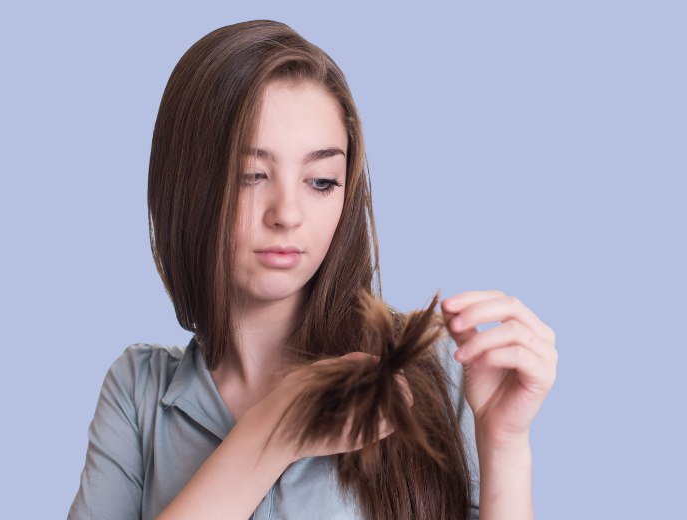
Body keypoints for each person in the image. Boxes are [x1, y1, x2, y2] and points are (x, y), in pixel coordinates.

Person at [68, 19, 557, 520]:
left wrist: (505, 447)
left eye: (321, 181)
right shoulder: (138, 392)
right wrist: (273, 432)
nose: (287, 213)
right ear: (186, 185)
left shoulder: (437, 371)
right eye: (251, 175)